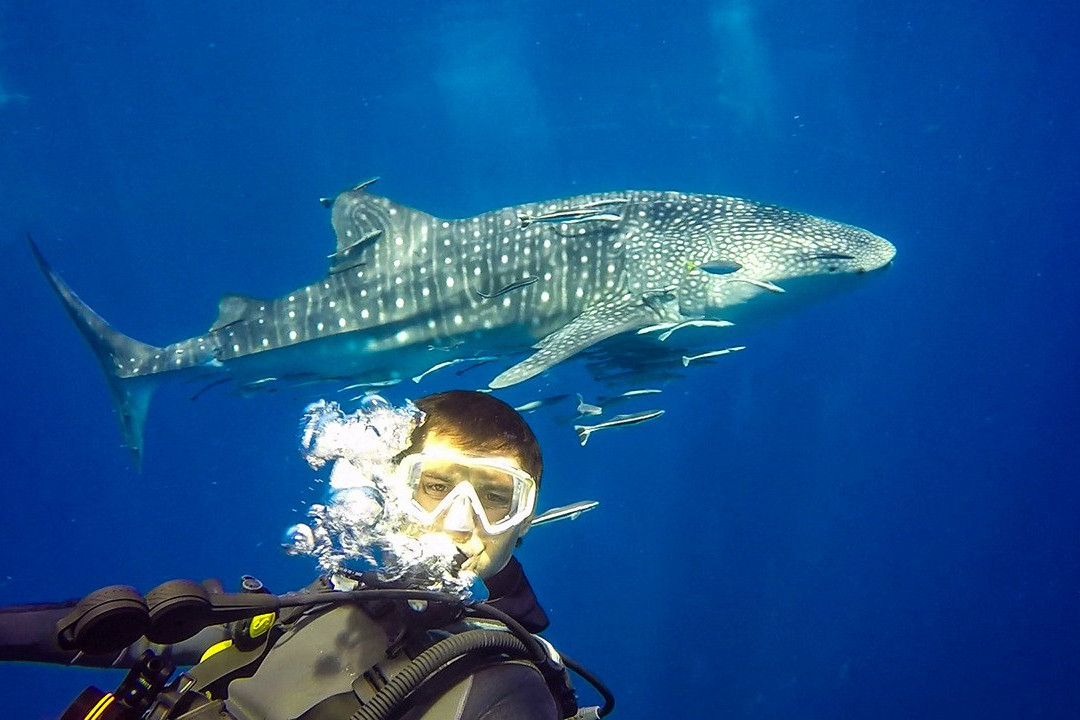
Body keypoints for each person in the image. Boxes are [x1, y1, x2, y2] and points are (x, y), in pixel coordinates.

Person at [0, 390, 609, 720]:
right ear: (385, 490)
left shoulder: (506, 692)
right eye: (434, 485)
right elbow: (119, 633)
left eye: (495, 500)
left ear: (522, 527)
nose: (458, 522)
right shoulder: (303, 609)